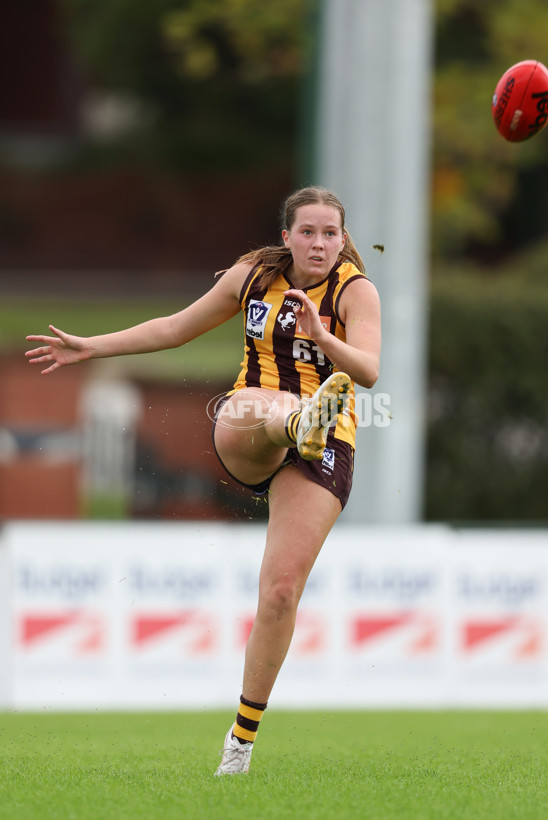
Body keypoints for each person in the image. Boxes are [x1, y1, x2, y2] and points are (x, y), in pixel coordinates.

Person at [25, 185, 381, 776]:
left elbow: (368, 371)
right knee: (258, 404)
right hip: (247, 426)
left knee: (280, 592)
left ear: (343, 240)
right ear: (286, 236)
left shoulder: (355, 290)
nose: (320, 243)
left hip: (328, 443)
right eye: (308, 232)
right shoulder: (252, 278)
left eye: (331, 233)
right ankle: (296, 420)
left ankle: (239, 744)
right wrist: (92, 347)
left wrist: (323, 337)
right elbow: (173, 328)